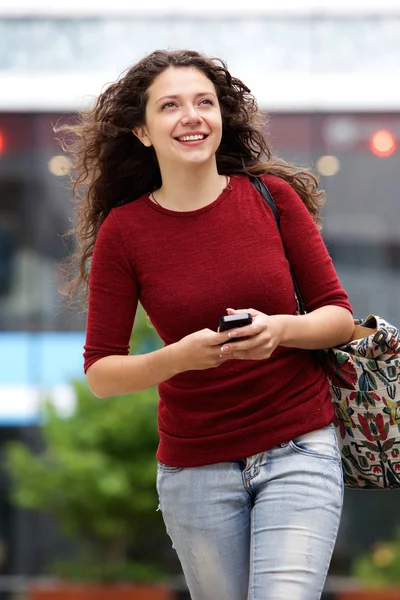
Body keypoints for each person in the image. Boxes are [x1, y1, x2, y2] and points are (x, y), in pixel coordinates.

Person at [60, 49, 354, 600]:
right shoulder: (125, 232)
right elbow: (101, 373)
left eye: (204, 103)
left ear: (222, 119)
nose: (191, 116)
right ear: (142, 131)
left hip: (298, 446)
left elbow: (338, 316)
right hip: (196, 467)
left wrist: (279, 330)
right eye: (169, 106)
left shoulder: (273, 199)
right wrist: (180, 357)